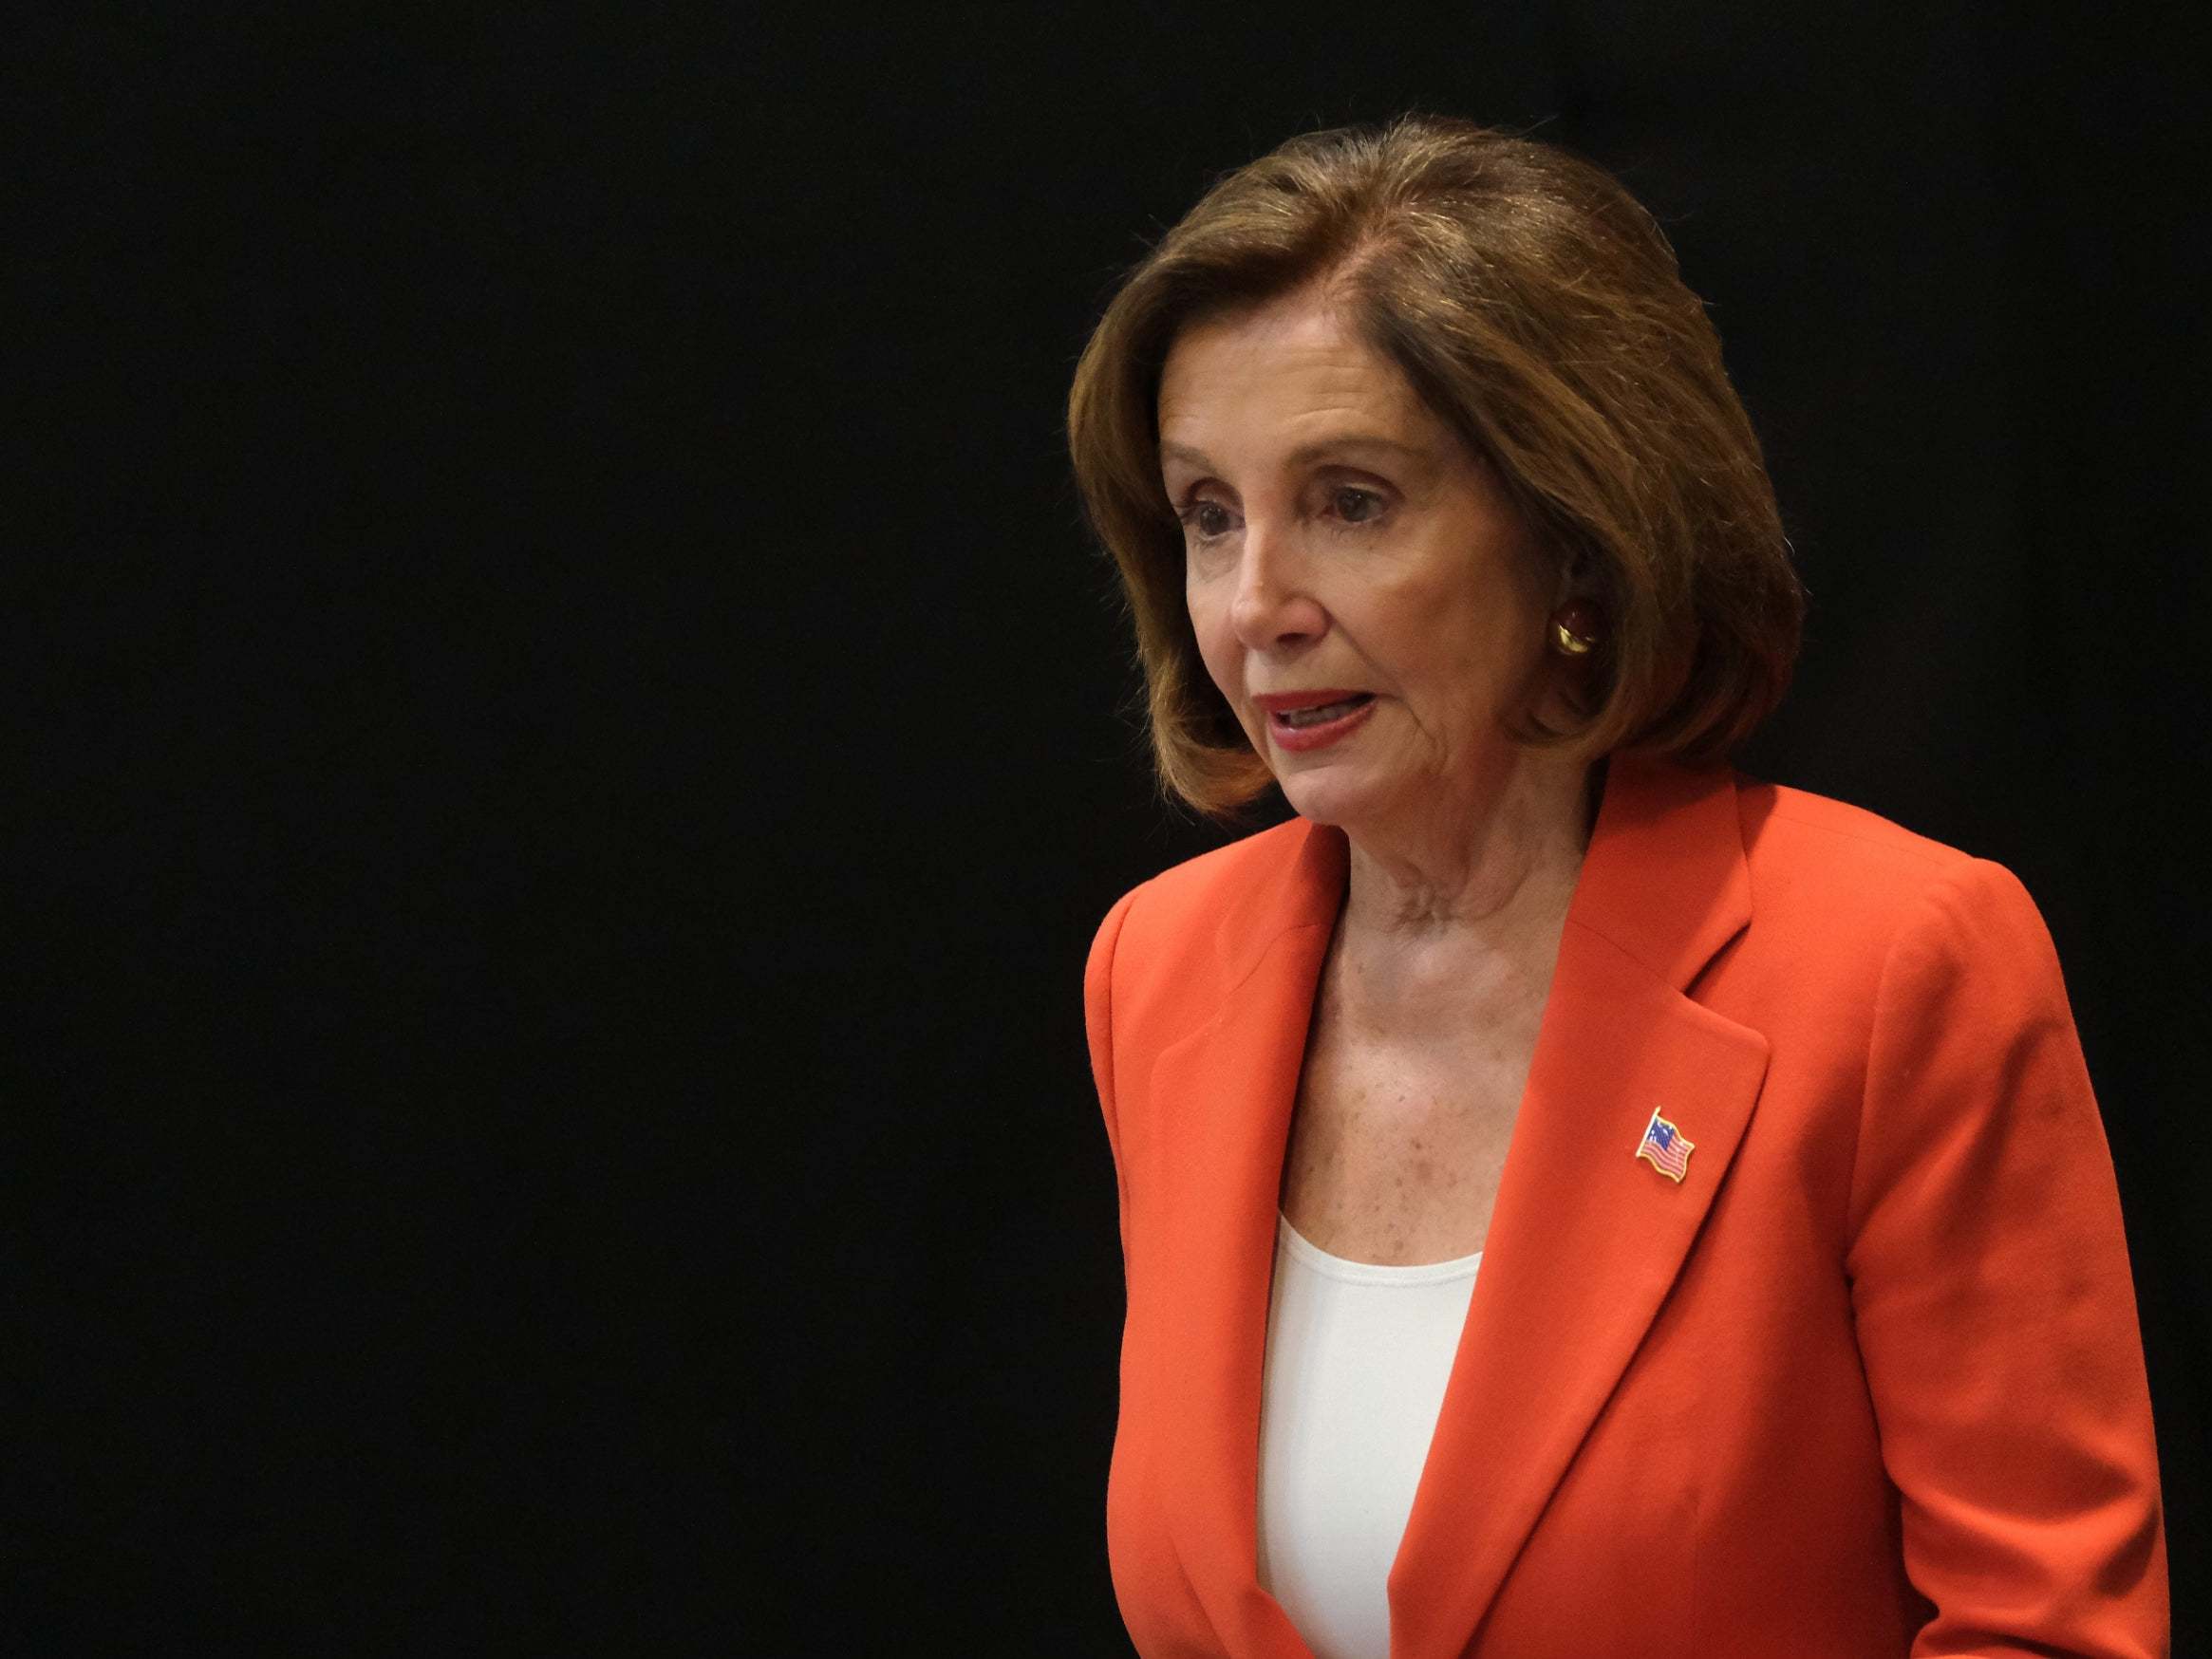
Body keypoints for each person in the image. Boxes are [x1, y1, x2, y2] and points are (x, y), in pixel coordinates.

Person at [1065, 116, 2166, 1659]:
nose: (1253, 610)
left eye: (1352, 501)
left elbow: (2038, 1627)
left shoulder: (1891, 961)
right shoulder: (1160, 970)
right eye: (1208, 516)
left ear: (1572, 539)